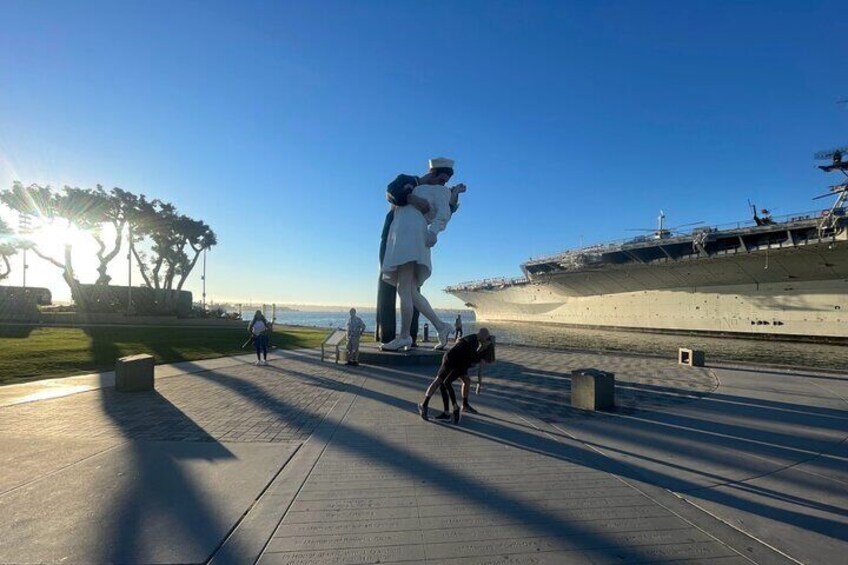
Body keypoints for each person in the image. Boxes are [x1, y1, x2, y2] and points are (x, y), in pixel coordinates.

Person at [380, 158, 466, 352]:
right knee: (410, 290)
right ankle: (441, 326)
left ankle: (404, 336)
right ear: (433, 172)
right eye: (441, 179)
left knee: (404, 287)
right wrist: (412, 198)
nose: (443, 183)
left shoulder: (442, 191)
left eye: (445, 181)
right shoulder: (410, 181)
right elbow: (391, 191)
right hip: (398, 234)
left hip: (412, 234)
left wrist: (433, 231)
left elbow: (443, 214)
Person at [418, 328, 496, 424]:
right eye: (487, 337)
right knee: (440, 381)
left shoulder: (474, 340)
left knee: (464, 381)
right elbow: (471, 356)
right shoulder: (474, 343)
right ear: (484, 336)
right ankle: (427, 405)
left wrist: (479, 383)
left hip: (457, 363)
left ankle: (462, 406)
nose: (487, 339)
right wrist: (479, 382)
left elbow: (462, 345)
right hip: (452, 361)